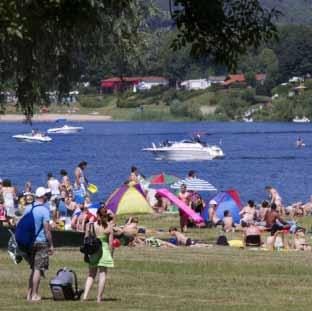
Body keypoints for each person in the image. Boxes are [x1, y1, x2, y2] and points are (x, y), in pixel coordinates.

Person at [23, 187, 54, 301]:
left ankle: (28, 294)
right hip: (41, 242)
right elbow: (47, 230)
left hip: (28, 242)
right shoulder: (44, 210)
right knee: (38, 269)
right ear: (43, 196)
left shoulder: (28, 208)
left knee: (33, 269)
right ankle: (35, 295)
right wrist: (51, 245)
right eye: (46, 195)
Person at [82, 206, 114, 303]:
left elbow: (86, 240)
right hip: (104, 250)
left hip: (93, 250)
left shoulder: (90, 225)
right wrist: (111, 255)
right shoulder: (109, 227)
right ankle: (99, 298)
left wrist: (86, 253)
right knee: (102, 274)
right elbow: (111, 244)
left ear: (97, 215)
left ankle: (85, 296)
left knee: (91, 274)